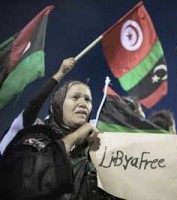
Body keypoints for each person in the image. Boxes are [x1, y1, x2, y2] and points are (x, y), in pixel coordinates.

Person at [0, 58, 121, 200]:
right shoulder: (36, 136)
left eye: (87, 100)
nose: (83, 103)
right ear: (58, 104)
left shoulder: (97, 150)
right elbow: (24, 181)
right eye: (75, 97)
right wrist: (74, 137)